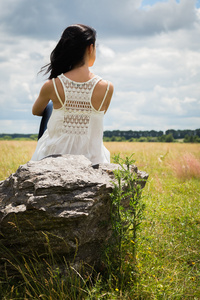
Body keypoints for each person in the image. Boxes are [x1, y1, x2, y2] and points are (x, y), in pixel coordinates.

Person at [31, 24, 113, 166]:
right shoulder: (106, 88)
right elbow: (100, 115)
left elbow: (36, 111)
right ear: (90, 48)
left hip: (53, 157)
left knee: (51, 106)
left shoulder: (52, 85)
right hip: (92, 160)